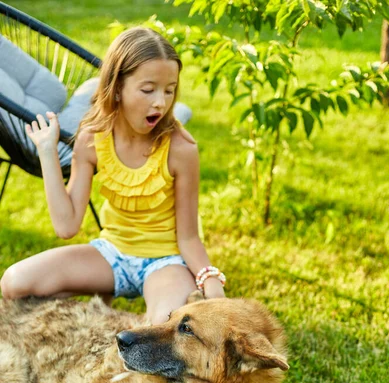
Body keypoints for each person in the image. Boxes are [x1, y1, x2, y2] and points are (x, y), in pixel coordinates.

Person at [0, 27, 225, 324]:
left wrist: (211, 281)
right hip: (111, 255)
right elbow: (67, 225)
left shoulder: (181, 149)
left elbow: (188, 238)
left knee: (164, 325)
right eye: (148, 90)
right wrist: (47, 152)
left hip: (166, 262)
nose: (161, 102)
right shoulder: (92, 138)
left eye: (169, 90)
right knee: (13, 283)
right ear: (117, 87)